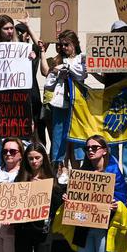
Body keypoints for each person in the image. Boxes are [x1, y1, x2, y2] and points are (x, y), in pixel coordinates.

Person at [92, 21, 127, 186]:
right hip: (110, 100)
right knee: (111, 138)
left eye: (125, 31)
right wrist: (92, 73)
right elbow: (104, 79)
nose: (123, 33)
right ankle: (113, 173)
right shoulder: (106, 52)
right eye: (119, 31)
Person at [0, 16, 37, 169]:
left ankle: (20, 171)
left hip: (18, 101)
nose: (10, 31)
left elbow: (39, 47)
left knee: (20, 138)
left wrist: (31, 57)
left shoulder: (21, 47)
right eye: (6, 28)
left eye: (11, 28)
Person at [41, 30, 87, 163]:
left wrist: (66, 68)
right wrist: (57, 74)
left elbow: (82, 74)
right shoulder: (57, 60)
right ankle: (59, 166)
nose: (63, 48)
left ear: (74, 44)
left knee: (77, 137)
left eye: (66, 44)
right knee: (59, 136)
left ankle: (78, 168)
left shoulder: (81, 58)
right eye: (61, 45)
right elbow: (48, 84)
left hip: (77, 102)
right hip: (60, 102)